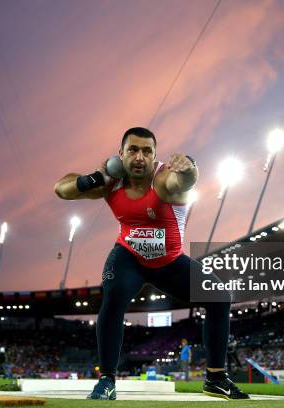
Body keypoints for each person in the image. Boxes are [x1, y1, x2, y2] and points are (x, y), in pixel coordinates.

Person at [54, 127, 249, 400]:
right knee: (113, 299)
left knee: (219, 297)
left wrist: (189, 165)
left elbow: (185, 182)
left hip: (169, 263)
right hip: (129, 258)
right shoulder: (110, 183)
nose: (139, 157)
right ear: (120, 154)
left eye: (147, 151)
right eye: (133, 150)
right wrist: (93, 179)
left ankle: (215, 377)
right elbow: (61, 189)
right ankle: (107, 380)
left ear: (155, 157)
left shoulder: (163, 180)